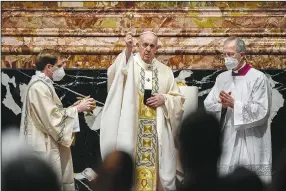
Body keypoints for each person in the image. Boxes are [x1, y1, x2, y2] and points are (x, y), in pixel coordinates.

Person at [100, 31, 185, 191]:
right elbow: (115, 76)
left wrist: (165, 99)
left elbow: (178, 99)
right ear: (138, 46)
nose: (148, 49)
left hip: (156, 135)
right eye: (144, 45)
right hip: (132, 131)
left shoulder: (165, 71)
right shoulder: (129, 64)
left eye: (152, 46)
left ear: (156, 49)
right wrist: (127, 51)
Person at [19, 49, 95, 191]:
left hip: (47, 140)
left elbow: (53, 112)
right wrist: (77, 110)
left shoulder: (43, 84)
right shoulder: (38, 87)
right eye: (60, 66)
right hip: (43, 145)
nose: (63, 69)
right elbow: (51, 118)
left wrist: (75, 106)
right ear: (49, 67)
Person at [204, 37, 272, 182]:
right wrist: (222, 106)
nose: (227, 58)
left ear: (242, 55)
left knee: (249, 181)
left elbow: (263, 111)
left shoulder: (258, 78)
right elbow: (208, 104)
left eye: (231, 54)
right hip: (228, 137)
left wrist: (236, 105)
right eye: (225, 54)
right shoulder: (222, 78)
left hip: (251, 139)